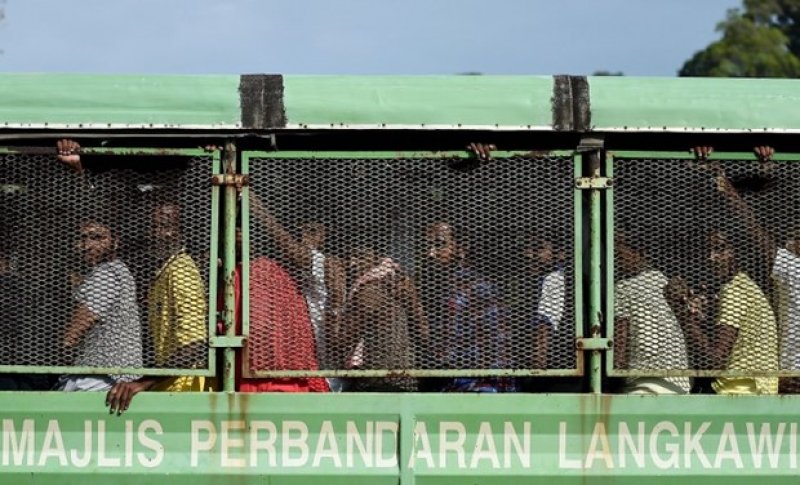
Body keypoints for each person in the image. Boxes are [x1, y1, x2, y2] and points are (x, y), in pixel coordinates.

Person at [695, 146, 800, 391]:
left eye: (794, 238)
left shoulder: (795, 271)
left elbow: (756, 235)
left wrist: (729, 193)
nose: (788, 243)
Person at [105, 200, 209, 413]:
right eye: (153, 227)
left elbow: (195, 344)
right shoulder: (164, 271)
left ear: (180, 232)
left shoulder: (181, 271)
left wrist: (145, 381)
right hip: (170, 386)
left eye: (165, 226)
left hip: (184, 390)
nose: (157, 234)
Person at [249, 191, 346, 391]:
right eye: (300, 231)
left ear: (323, 236)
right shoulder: (298, 272)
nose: (303, 237)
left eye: (311, 231)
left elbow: (287, 244)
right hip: (312, 361)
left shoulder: (323, 263)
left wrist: (259, 211)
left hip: (327, 368)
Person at [669, 227, 779, 395]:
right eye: (707, 251)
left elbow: (716, 359)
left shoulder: (733, 291)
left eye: (720, 249)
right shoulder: (747, 286)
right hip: (759, 390)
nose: (711, 258)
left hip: (738, 392)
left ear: (737, 252)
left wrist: (680, 311)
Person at [57, 218, 143, 391]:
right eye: (83, 238)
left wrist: (57, 351)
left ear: (115, 242)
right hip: (104, 375)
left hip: (100, 378)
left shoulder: (107, 274)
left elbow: (75, 332)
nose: (87, 245)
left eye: (97, 238)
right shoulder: (115, 271)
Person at [340, 247, 427, 392]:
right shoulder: (401, 283)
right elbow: (424, 331)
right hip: (404, 375)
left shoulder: (369, 290)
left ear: (377, 257)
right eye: (349, 257)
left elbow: (342, 339)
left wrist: (334, 303)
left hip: (376, 378)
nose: (352, 263)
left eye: (360, 256)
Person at [613, 232, 691, 394]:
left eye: (619, 253)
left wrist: (614, 373)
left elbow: (621, 338)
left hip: (645, 380)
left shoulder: (623, 287)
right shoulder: (663, 281)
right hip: (679, 381)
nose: (617, 260)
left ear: (639, 252)